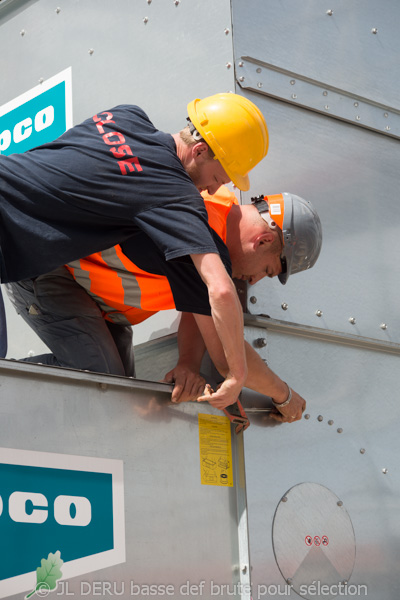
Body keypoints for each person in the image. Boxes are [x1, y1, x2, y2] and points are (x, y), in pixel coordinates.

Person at [0, 93, 269, 407]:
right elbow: (221, 290)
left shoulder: (126, 116)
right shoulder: (175, 194)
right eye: (217, 178)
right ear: (199, 150)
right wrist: (237, 374)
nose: (212, 190)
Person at [6, 187, 322, 421]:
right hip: (54, 269)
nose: (253, 281)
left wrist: (187, 362)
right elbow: (228, 357)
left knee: (122, 401)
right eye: (266, 270)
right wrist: (284, 395)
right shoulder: (203, 230)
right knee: (100, 383)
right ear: (264, 241)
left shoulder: (219, 206)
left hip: (95, 302)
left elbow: (198, 307)